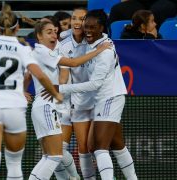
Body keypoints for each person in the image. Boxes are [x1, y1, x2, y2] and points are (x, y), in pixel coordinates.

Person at [0, 5, 63, 179]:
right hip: (14, 108)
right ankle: (2, 161)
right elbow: (40, 75)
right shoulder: (22, 50)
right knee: (15, 162)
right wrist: (56, 94)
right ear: (17, 28)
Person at [58, 10, 138, 180]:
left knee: (99, 147)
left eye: (92, 27)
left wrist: (61, 89)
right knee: (117, 145)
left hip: (109, 98)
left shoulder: (106, 51)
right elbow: (70, 32)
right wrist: (66, 31)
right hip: (99, 100)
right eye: (85, 26)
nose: (87, 30)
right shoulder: (91, 40)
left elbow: (95, 84)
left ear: (102, 28)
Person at [29, 21, 111, 180]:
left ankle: (73, 178)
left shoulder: (51, 49)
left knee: (53, 154)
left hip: (47, 106)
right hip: (46, 105)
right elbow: (73, 63)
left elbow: (29, 73)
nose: (54, 35)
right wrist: (98, 50)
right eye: (49, 32)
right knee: (54, 156)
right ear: (39, 36)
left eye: (55, 31)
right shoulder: (41, 52)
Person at [58, 7, 98, 180]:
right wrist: (59, 94)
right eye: (74, 18)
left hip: (91, 102)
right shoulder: (64, 45)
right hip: (69, 102)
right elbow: (64, 75)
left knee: (85, 148)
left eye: (81, 19)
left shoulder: (95, 44)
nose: (76, 22)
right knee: (57, 150)